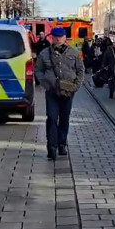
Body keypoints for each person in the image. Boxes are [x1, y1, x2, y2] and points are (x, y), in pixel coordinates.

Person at [35, 27, 84, 160]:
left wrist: (76, 86)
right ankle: (52, 147)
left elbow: (80, 70)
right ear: (52, 38)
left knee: (64, 118)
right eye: (55, 37)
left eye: (60, 37)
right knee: (51, 118)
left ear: (64, 38)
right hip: (52, 92)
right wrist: (46, 84)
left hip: (68, 92)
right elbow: (38, 70)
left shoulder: (73, 53)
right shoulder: (44, 54)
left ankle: (62, 144)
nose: (58, 39)